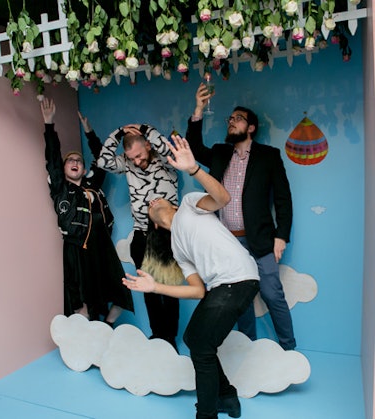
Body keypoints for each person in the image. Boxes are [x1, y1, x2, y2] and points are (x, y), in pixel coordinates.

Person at [123, 135, 260, 419]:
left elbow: (223, 198)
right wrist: (154, 286)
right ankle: (227, 398)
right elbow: (197, 290)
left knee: (199, 342)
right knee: (193, 338)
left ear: (171, 205)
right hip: (223, 286)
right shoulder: (177, 247)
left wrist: (194, 169)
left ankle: (206, 413)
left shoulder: (189, 204)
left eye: (158, 199)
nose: (153, 200)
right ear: (155, 225)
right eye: (148, 205)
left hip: (239, 278)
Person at [185, 83, 296, 351]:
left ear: (251, 127)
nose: (231, 122)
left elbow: (283, 199)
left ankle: (289, 349)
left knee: (272, 294)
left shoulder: (269, 156)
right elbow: (193, 147)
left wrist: (281, 237)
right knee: (240, 297)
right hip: (228, 241)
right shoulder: (220, 153)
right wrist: (198, 108)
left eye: (237, 119)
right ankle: (249, 347)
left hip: (260, 240)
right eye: (230, 119)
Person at [82, 120, 180, 349]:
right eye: (132, 157)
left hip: (165, 234)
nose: (137, 161)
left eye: (139, 155)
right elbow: (104, 161)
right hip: (140, 235)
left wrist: (145, 128)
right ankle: (157, 336)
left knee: (170, 288)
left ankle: (170, 339)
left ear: (147, 145)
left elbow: (165, 147)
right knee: (149, 289)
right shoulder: (127, 162)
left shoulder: (167, 160)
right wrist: (118, 133)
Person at [40, 98, 134, 324]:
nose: (75, 162)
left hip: (102, 245)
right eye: (70, 160)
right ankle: (86, 335)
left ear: (83, 168)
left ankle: (106, 326)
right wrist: (49, 124)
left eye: (79, 161)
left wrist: (89, 132)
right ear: (63, 169)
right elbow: (52, 159)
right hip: (77, 247)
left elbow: (102, 159)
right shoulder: (61, 188)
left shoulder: (92, 184)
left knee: (120, 293)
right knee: (81, 300)